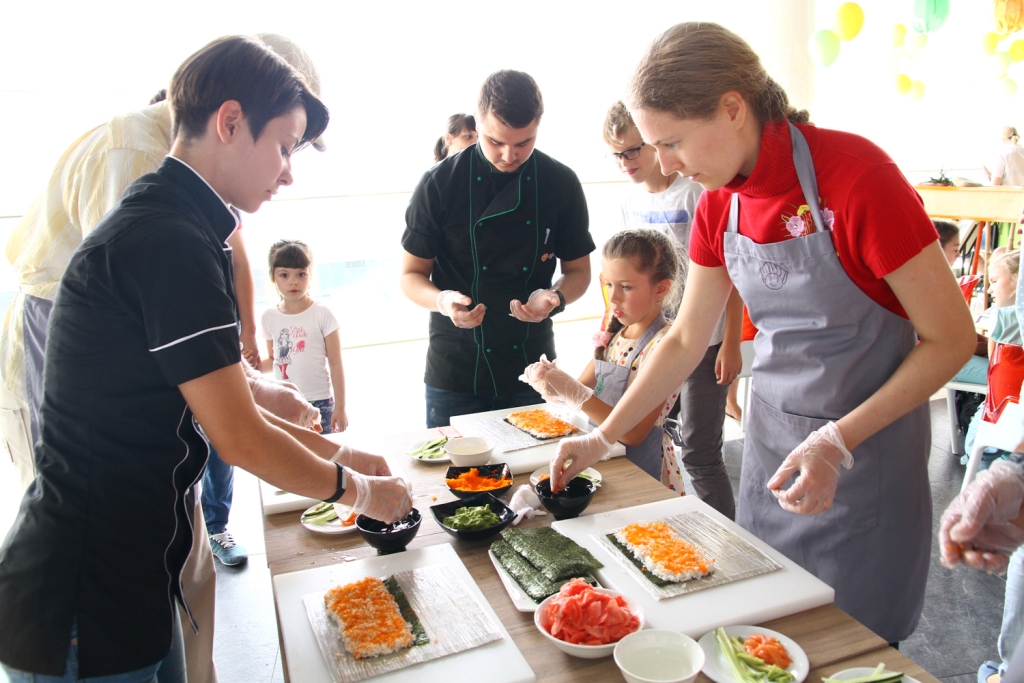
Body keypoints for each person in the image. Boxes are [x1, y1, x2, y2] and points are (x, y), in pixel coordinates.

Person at [549, 22, 975, 645]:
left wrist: (838, 439)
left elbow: (951, 339)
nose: (664, 165)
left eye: (671, 143)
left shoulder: (859, 178)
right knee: (766, 634)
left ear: (732, 108)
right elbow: (686, 338)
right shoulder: (719, 203)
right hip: (773, 445)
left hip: (865, 454)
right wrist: (603, 439)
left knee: (850, 645)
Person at [0, 35, 411, 682]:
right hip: (82, 595)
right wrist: (361, 492)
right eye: (283, 145)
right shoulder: (165, 238)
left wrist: (347, 455)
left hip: (133, 578)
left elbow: (226, 403)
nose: (288, 171)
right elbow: (238, 436)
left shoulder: (179, 222)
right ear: (228, 122)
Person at [400, 70, 595, 427]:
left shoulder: (560, 182)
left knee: (539, 476)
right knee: (455, 478)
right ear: (479, 123)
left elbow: (579, 271)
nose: (509, 155)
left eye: (524, 142)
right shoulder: (439, 183)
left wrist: (555, 298)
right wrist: (443, 302)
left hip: (534, 368)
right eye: (495, 142)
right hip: (456, 368)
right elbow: (411, 275)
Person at [601, 101, 742, 517]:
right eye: (617, 154)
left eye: (634, 150)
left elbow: (728, 274)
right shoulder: (629, 202)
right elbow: (619, 278)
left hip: (704, 340)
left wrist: (731, 343)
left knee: (699, 451)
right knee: (647, 440)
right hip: (650, 343)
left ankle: (725, 539)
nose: (626, 162)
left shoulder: (697, 191)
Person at [522, 230, 685, 488]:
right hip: (601, 463)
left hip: (639, 472)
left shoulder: (666, 345)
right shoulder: (615, 334)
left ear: (661, 288)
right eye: (608, 284)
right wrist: (551, 383)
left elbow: (633, 432)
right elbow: (582, 387)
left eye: (626, 287)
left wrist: (573, 391)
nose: (614, 297)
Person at [261, 239, 348, 433]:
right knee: (290, 456)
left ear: (310, 275)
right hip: (283, 400)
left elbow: (336, 363)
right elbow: (274, 359)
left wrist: (340, 408)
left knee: (324, 455)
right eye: (284, 275)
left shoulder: (322, 314)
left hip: (320, 400)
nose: (293, 281)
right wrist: (246, 365)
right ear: (273, 277)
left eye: (301, 274)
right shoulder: (268, 317)